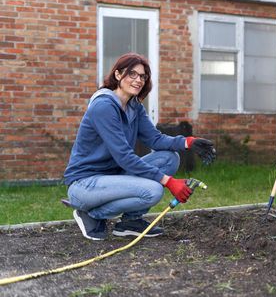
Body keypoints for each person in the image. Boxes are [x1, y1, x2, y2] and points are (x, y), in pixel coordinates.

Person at [64, 53, 216, 241]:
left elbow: (156, 139)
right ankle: (91, 215)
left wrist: (188, 142)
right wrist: (168, 181)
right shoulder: (103, 107)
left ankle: (130, 222)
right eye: (132, 74)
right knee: (153, 191)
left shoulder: (134, 107)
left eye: (142, 76)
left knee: (170, 157)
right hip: (84, 185)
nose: (138, 80)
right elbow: (124, 157)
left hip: (111, 178)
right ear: (118, 75)